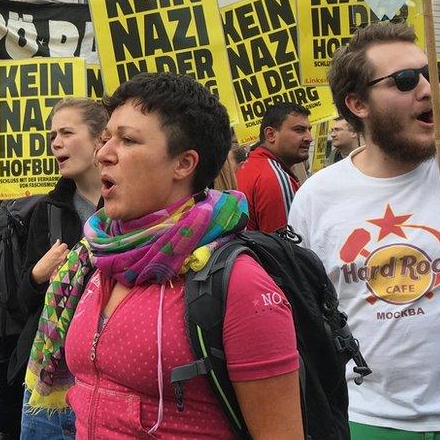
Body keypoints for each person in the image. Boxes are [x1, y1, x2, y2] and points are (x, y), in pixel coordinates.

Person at [25, 73, 302, 438]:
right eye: (106, 138)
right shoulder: (98, 258)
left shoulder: (240, 284)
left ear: (184, 164)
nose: (103, 154)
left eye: (127, 140)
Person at [290, 22, 440, 438]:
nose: (428, 90)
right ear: (358, 103)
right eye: (405, 80)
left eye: (428, 73)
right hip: (367, 420)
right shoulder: (315, 198)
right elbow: (305, 319)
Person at [0, 97, 106, 440]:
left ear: (100, 139)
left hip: (108, 365)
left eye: (66, 133)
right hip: (56, 370)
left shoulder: (128, 206)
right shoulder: (48, 210)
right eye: (52, 135)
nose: (56, 143)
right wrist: (38, 275)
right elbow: (20, 304)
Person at [235, 102, 312, 232]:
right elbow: (287, 242)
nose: (309, 138)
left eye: (309, 130)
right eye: (299, 130)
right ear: (270, 134)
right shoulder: (274, 178)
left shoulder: (251, 164)